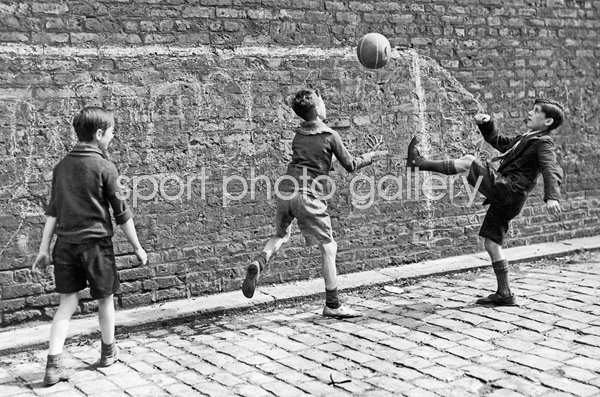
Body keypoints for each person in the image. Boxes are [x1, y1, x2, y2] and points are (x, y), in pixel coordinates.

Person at [242, 88, 388, 317]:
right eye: (322, 101)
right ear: (318, 109)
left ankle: (260, 262)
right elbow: (349, 165)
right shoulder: (330, 135)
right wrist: (372, 156)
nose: (325, 104)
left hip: (285, 191)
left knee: (281, 235)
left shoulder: (298, 135)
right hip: (307, 196)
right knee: (329, 247)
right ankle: (332, 304)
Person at [406, 98, 564, 306]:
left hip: (508, 190)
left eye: (535, 111)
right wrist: (487, 122)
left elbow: (550, 168)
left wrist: (552, 196)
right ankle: (505, 293)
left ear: (548, 121)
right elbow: (498, 141)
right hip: (509, 197)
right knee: (491, 242)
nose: (529, 113)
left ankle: (419, 163)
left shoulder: (544, 143)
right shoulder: (527, 137)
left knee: (469, 161)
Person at [32, 106, 148, 386]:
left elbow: (52, 212)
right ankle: (108, 351)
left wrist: (44, 249)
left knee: (67, 302)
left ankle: (53, 363)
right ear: (99, 134)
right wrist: (137, 247)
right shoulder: (105, 167)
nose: (112, 138)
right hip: (96, 246)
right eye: (111, 133)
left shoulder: (61, 167)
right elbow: (122, 213)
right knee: (105, 299)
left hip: (65, 245)